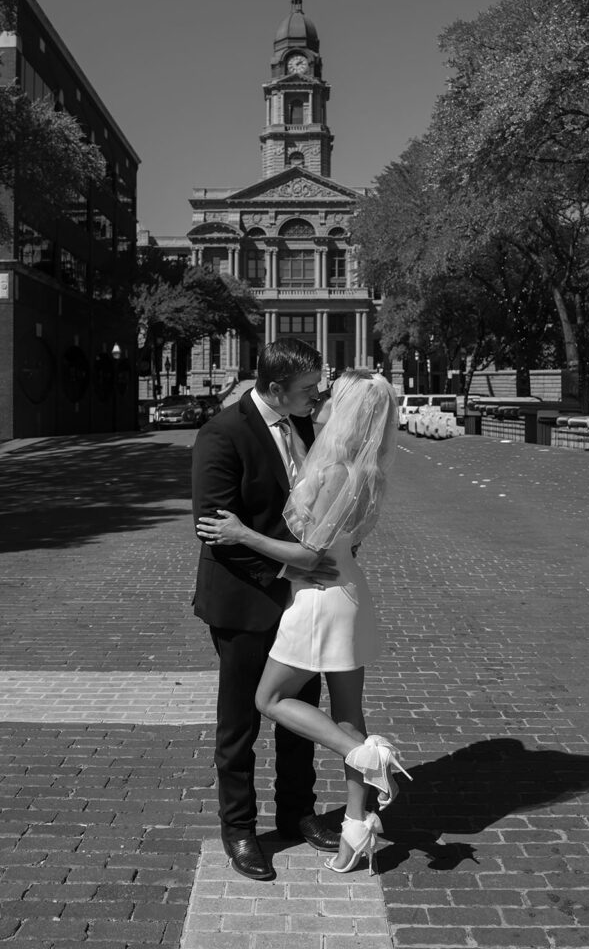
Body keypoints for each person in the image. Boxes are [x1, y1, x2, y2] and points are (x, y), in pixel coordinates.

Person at [197, 369, 411, 876]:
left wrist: (241, 533)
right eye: (311, 391)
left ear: (349, 411)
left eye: (328, 395)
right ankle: (354, 825)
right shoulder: (369, 467)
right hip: (342, 591)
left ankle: (361, 759)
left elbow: (308, 553)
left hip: (317, 596)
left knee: (269, 701)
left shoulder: (336, 465)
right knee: (342, 712)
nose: (319, 399)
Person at [191, 338, 341, 882]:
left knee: (299, 714)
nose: (315, 395)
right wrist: (288, 569)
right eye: (307, 389)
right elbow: (214, 529)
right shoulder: (222, 434)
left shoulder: (303, 424)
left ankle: (298, 813)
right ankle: (240, 830)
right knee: (241, 724)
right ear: (275, 388)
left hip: (301, 603)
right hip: (244, 602)